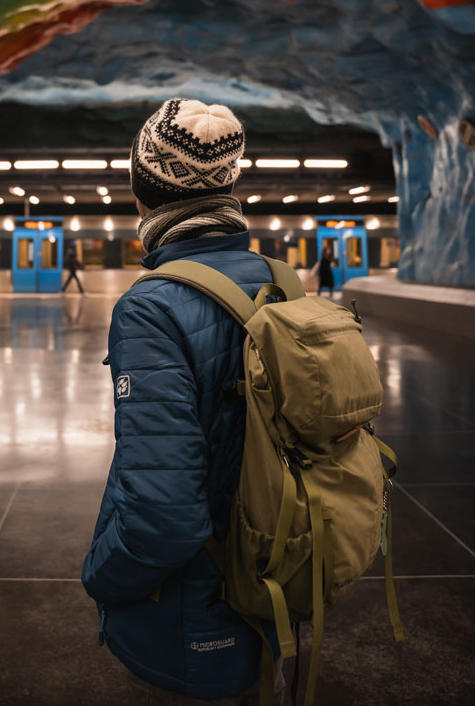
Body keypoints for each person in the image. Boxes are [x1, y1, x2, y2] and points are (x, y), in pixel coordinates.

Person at [82, 99, 285, 705]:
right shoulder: (281, 283)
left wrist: (100, 576)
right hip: (272, 580)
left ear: (145, 193)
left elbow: (163, 516)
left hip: (186, 614)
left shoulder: (152, 307)